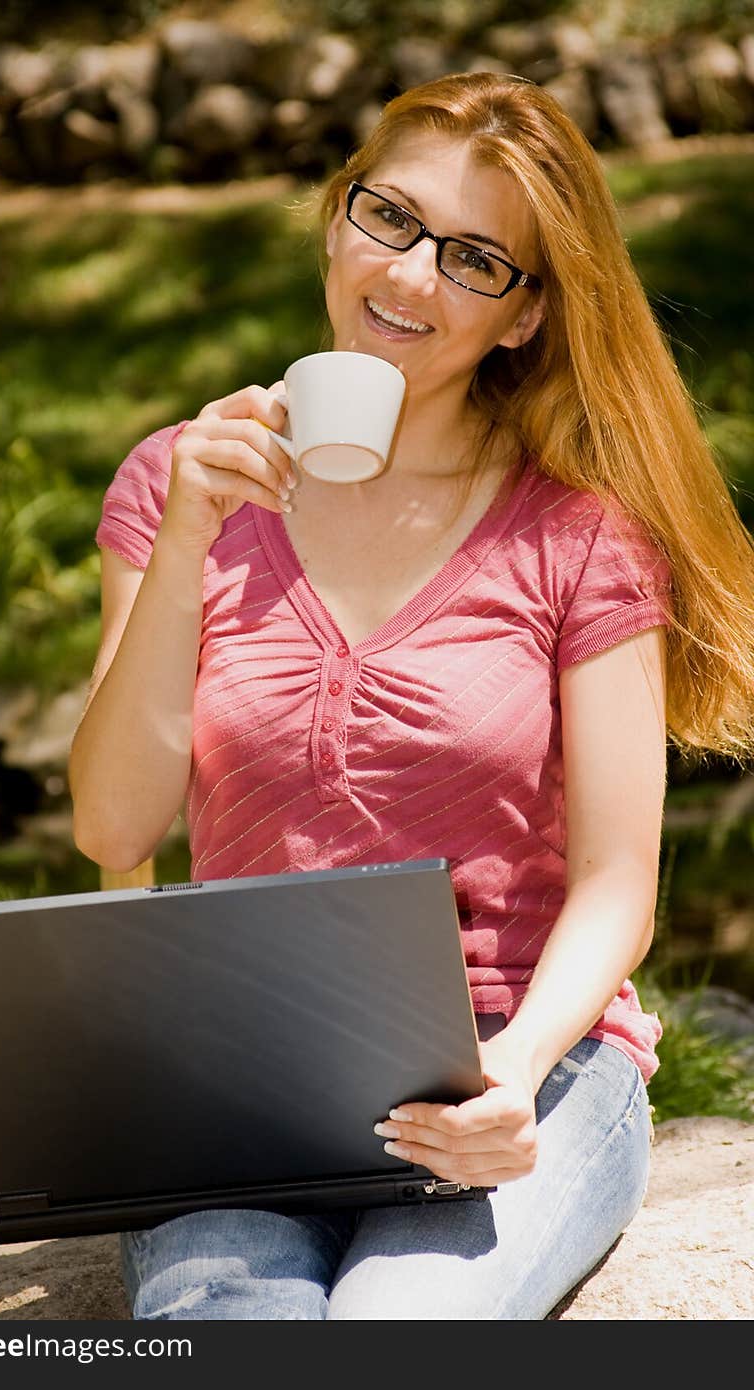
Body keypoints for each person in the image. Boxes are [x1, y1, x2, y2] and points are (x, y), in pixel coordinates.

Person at [68, 72, 754, 1320]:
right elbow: (115, 830)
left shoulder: (581, 538)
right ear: (336, 220)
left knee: (397, 1327)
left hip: (514, 1058)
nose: (411, 277)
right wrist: (183, 543)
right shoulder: (179, 481)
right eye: (389, 218)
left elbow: (616, 883)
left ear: (524, 317)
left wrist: (517, 1065)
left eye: (476, 259)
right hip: (243, 1058)